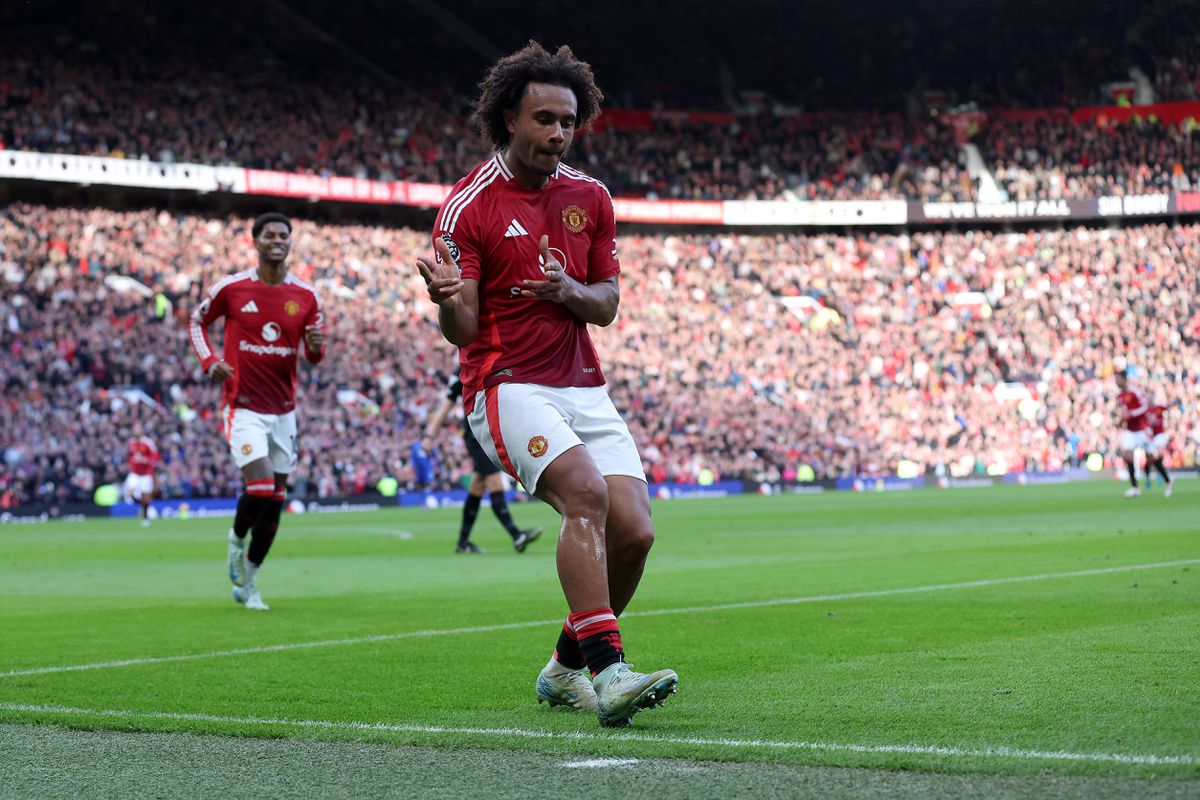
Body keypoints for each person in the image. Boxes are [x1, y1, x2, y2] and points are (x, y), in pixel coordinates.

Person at [416, 42, 677, 727]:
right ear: (509, 117)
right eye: (543, 118)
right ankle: (609, 671)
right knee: (585, 495)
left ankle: (563, 671)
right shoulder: (467, 206)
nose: (558, 133)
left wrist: (570, 289)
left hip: (583, 385)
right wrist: (446, 297)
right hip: (505, 383)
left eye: (568, 121)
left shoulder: (590, 197)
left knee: (636, 534)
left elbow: (609, 304)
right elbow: (464, 328)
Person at [189, 212, 326, 610]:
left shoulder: (306, 296)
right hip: (244, 407)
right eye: (269, 235)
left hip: (284, 411)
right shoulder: (231, 288)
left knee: (276, 500)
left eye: (284, 235)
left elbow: (315, 357)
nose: (277, 240)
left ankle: (249, 583)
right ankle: (235, 541)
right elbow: (197, 323)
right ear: (256, 242)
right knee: (262, 487)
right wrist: (208, 361)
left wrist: (316, 345)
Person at [424, 369, 543, 554]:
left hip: (489, 431)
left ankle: (463, 543)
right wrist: (429, 436)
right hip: (476, 435)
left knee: (477, 487)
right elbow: (446, 405)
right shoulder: (463, 372)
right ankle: (517, 535)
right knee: (494, 482)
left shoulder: (490, 362)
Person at [1114, 369, 1165, 498]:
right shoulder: (1119, 396)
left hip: (1142, 430)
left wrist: (1132, 414)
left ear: (1124, 379)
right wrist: (1121, 420)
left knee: (1151, 458)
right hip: (1130, 431)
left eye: (1117, 379)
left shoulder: (1134, 391)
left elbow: (1145, 406)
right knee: (1127, 455)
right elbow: (1124, 413)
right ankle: (1135, 488)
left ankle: (1168, 479)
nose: (1116, 381)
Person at [125, 422, 160, 526]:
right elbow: (130, 456)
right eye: (134, 428)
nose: (136, 431)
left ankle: (145, 517)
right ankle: (141, 507)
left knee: (146, 497)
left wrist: (146, 460)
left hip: (146, 474)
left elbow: (155, 458)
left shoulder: (148, 443)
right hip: (135, 473)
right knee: (130, 493)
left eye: (137, 428)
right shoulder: (131, 443)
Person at [1142, 403, 1175, 497]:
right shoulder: (1144, 412)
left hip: (1160, 435)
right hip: (1150, 438)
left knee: (1158, 455)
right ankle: (1167, 479)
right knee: (1151, 459)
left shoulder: (1158, 408)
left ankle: (1166, 480)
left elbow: (1168, 409)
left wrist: (1169, 421)